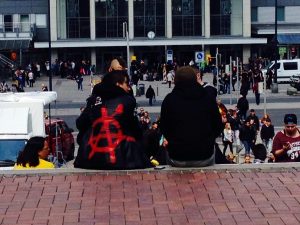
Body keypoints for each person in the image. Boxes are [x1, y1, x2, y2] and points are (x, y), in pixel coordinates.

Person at [74, 70, 150, 169]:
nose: (129, 87)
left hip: (91, 160)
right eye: (126, 83)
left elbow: (80, 124)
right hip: (122, 159)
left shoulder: (94, 100)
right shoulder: (127, 100)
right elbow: (135, 130)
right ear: (118, 84)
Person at [160, 66, 223, 167]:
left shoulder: (169, 100)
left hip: (177, 155)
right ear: (195, 79)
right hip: (204, 155)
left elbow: (164, 127)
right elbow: (218, 125)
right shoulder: (208, 98)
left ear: (176, 81)